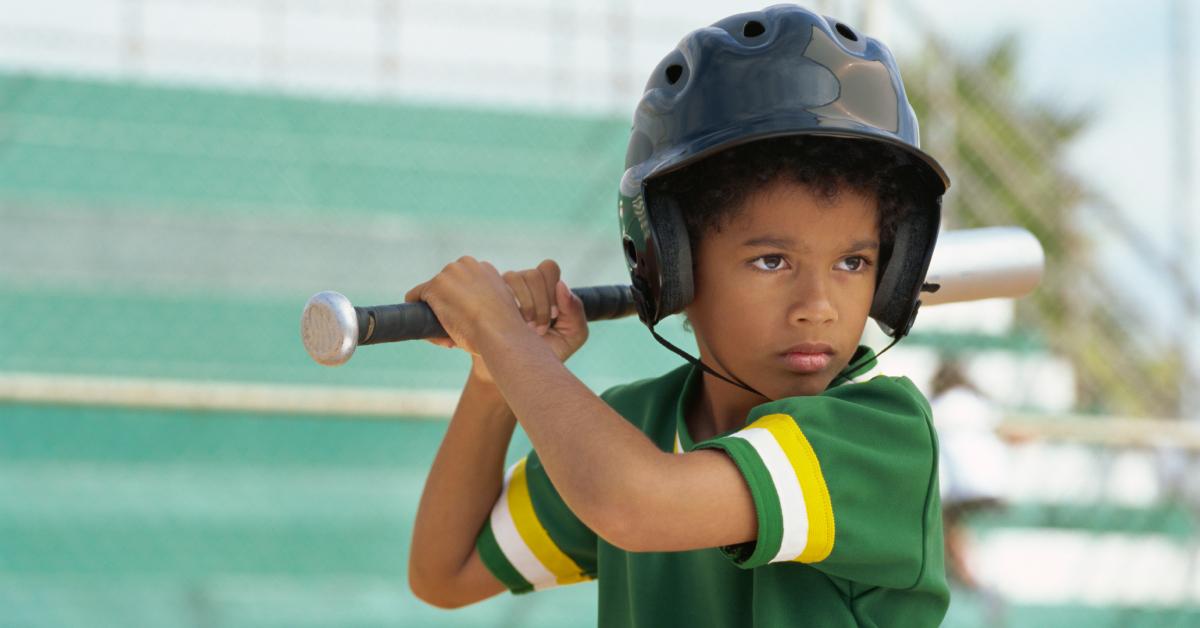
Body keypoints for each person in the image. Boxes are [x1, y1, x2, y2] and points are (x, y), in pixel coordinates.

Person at [407, 5, 951, 626]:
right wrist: (493, 374)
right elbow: (441, 573)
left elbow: (635, 504)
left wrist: (504, 337)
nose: (818, 309)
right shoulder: (632, 428)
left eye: (853, 262)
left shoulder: (878, 437)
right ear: (673, 266)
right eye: (772, 261)